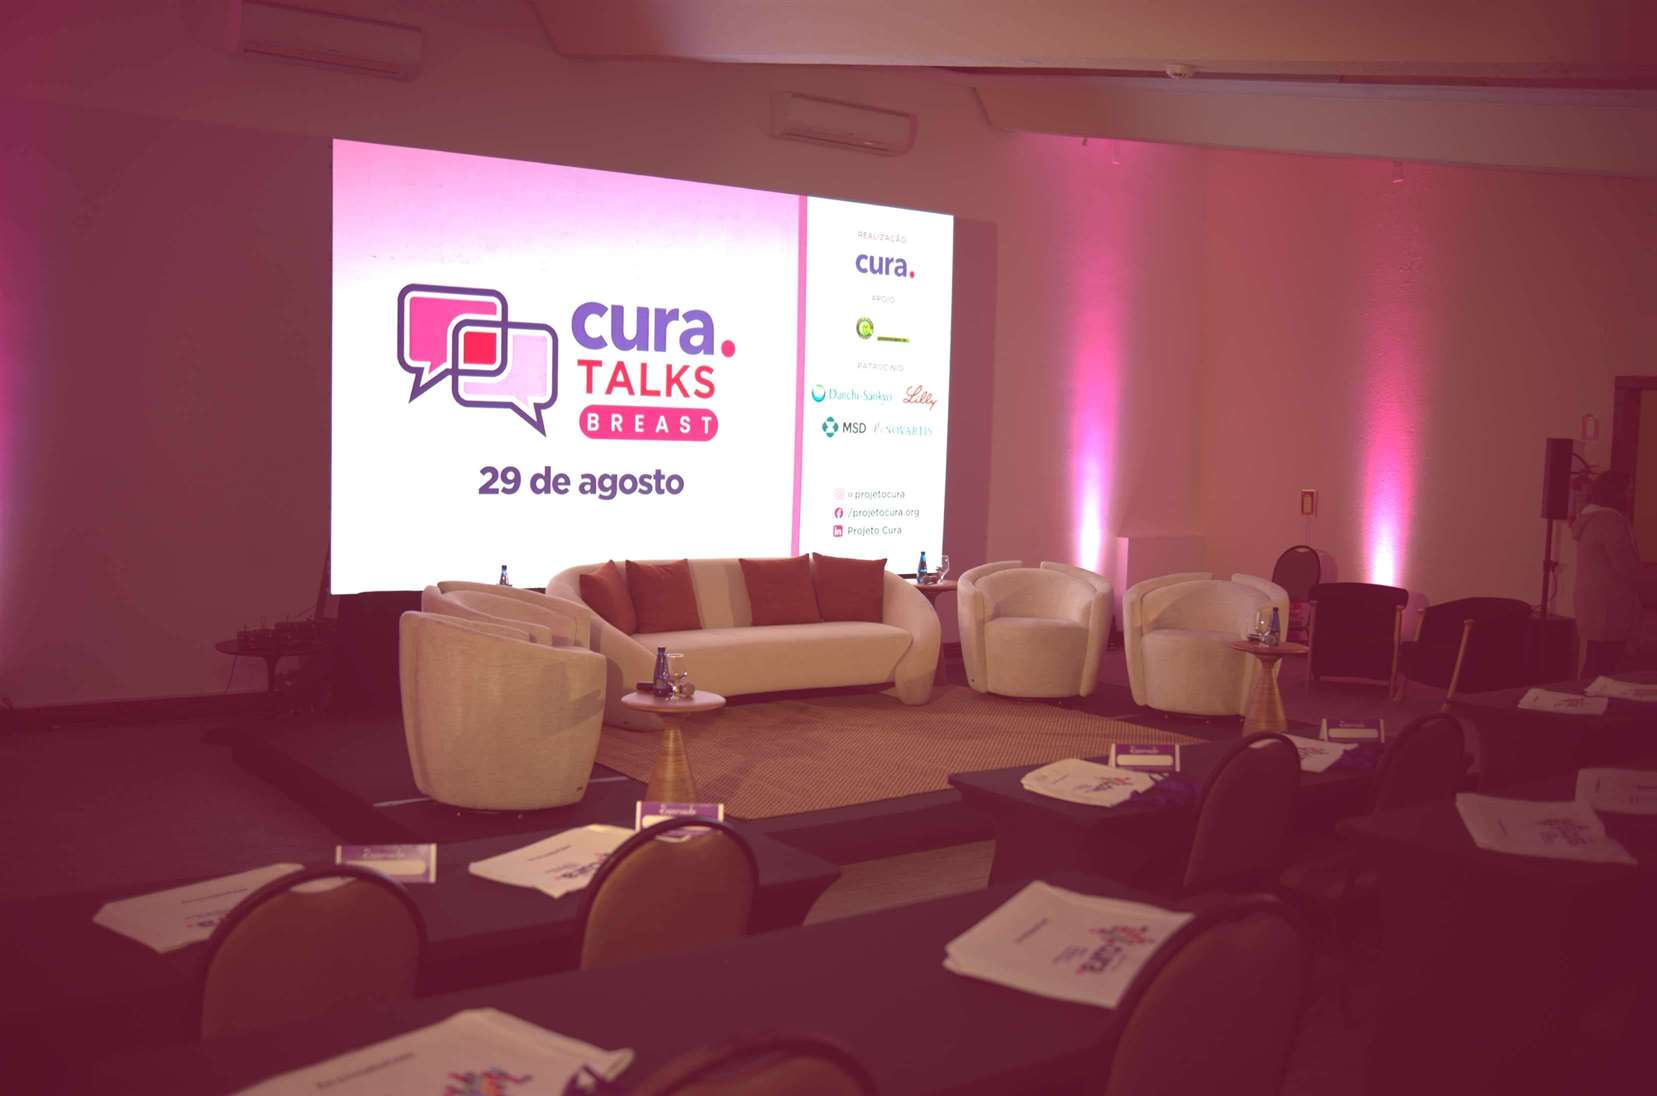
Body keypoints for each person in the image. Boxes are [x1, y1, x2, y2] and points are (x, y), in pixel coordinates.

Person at [1570, 470, 1641, 678]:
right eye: (1628, 489)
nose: (1631, 494)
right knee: (1604, 666)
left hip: (1593, 601)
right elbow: (1625, 565)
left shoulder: (1591, 518)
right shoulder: (1612, 520)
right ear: (1615, 492)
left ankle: (1585, 697)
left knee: (1596, 660)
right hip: (1610, 604)